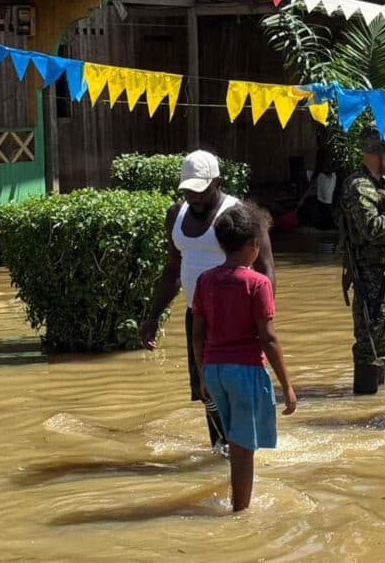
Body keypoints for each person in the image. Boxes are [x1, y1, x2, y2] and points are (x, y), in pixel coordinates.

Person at [140, 150, 276, 453]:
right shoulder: (176, 215)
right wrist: (153, 317)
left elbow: (266, 268)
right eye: (189, 191)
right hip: (198, 317)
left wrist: (264, 322)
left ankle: (241, 447)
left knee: (238, 385)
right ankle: (222, 450)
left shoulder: (239, 215)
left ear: (217, 182)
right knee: (207, 388)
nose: (195, 198)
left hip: (237, 319)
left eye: (201, 191)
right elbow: (173, 269)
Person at [192, 204, 295, 512]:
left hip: (213, 370)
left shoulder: (205, 280)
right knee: (244, 448)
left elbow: (198, 334)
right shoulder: (257, 283)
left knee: (235, 444)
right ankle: (240, 513)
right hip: (245, 371)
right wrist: (287, 386)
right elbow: (269, 338)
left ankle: (238, 501)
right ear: (254, 245)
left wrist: (201, 375)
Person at [339, 123, 385, 395]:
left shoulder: (382, 184)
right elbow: (370, 229)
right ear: (377, 151)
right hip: (371, 279)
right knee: (370, 345)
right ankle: (364, 403)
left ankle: (376, 402)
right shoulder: (359, 186)